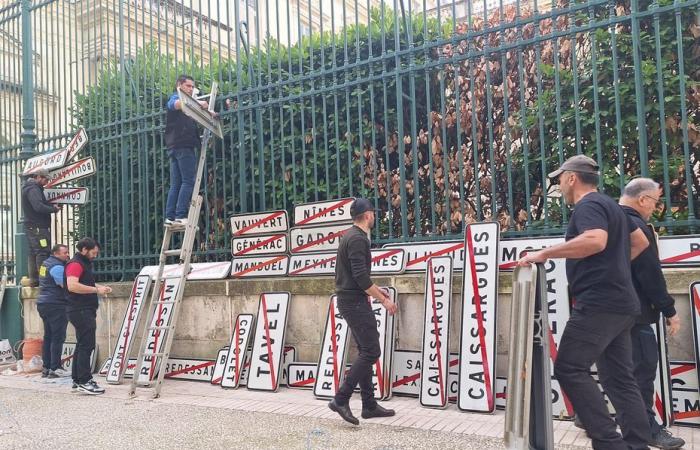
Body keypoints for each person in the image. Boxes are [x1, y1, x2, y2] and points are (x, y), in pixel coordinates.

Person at [518, 155, 651, 450]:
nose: (560, 185)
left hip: (599, 303)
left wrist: (545, 253)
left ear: (572, 178)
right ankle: (637, 443)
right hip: (622, 303)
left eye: (560, 179)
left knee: (569, 367)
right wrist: (613, 267)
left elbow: (595, 240)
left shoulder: (588, 206)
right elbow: (641, 241)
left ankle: (609, 443)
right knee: (619, 378)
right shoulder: (612, 206)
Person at [619, 178, 684, 449]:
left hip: (606, 313)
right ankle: (648, 429)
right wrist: (669, 310)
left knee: (616, 371)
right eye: (656, 202)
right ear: (643, 199)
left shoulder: (605, 220)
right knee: (642, 371)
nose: (656, 209)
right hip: (636, 313)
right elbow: (650, 274)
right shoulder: (635, 226)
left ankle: (588, 418)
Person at [328, 198, 397, 425]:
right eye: (373, 214)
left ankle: (368, 405)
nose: (375, 217)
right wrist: (384, 302)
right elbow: (359, 277)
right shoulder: (358, 240)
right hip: (354, 302)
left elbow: (359, 278)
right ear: (367, 215)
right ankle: (341, 398)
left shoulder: (349, 236)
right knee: (371, 351)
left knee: (365, 351)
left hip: (351, 300)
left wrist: (378, 292)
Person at [64, 238, 112, 394]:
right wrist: (96, 290)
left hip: (83, 309)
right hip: (80, 310)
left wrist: (100, 287)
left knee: (82, 344)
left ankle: (77, 380)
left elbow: (87, 284)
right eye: (93, 252)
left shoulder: (83, 264)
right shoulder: (75, 264)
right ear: (84, 249)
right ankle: (85, 380)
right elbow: (72, 285)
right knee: (87, 345)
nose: (95, 256)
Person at [164, 75, 209, 226]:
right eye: (188, 86)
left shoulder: (189, 105)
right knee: (188, 181)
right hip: (183, 145)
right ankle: (180, 215)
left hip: (174, 147)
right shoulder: (176, 97)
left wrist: (210, 113)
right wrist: (197, 103)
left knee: (176, 183)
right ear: (179, 85)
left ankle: (170, 217)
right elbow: (174, 104)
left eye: (192, 87)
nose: (191, 89)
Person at [21, 168, 60, 286]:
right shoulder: (33, 189)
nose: (46, 182)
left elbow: (40, 204)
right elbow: (38, 206)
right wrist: (53, 209)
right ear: (38, 177)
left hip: (33, 226)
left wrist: (50, 205)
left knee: (34, 252)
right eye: (45, 179)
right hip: (38, 227)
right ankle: (43, 278)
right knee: (43, 252)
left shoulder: (31, 188)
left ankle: (34, 279)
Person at [37, 244, 70, 379]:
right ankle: (55, 368)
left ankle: (47, 367)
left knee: (48, 336)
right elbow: (65, 285)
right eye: (65, 253)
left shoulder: (45, 264)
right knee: (58, 337)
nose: (67, 255)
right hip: (56, 304)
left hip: (43, 303)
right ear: (56, 254)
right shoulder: (57, 267)